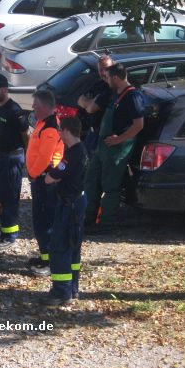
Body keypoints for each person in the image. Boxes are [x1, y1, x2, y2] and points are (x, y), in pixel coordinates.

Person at [84, 63, 144, 233]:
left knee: (110, 187)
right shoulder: (114, 93)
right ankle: (87, 218)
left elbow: (139, 125)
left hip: (117, 149)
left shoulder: (133, 96)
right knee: (91, 180)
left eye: (108, 77)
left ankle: (106, 224)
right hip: (102, 146)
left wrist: (120, 139)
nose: (106, 80)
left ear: (116, 78)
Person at [43, 116, 88, 306]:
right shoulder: (82, 150)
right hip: (78, 201)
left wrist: (50, 175)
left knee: (59, 246)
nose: (59, 133)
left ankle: (61, 292)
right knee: (73, 245)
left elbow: (51, 178)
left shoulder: (71, 155)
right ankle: (73, 287)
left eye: (61, 130)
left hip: (69, 205)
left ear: (67, 132)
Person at [0, 71, 29, 251]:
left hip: (12, 157)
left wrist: (27, 157)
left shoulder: (15, 111)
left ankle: (10, 235)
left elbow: (25, 135)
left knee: (9, 197)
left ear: (5, 89)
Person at [25, 89, 64, 276]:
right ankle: (45, 256)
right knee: (40, 220)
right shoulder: (43, 123)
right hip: (40, 179)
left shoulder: (50, 128)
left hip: (45, 180)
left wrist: (32, 172)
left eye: (35, 105)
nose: (32, 107)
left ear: (44, 106)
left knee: (45, 220)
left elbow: (45, 157)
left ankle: (50, 262)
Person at [77, 55, 114, 155]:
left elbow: (91, 109)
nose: (103, 72)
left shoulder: (112, 88)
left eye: (106, 68)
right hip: (92, 133)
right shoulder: (99, 84)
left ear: (113, 67)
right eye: (100, 69)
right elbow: (80, 100)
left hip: (104, 136)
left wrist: (89, 103)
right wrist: (92, 102)